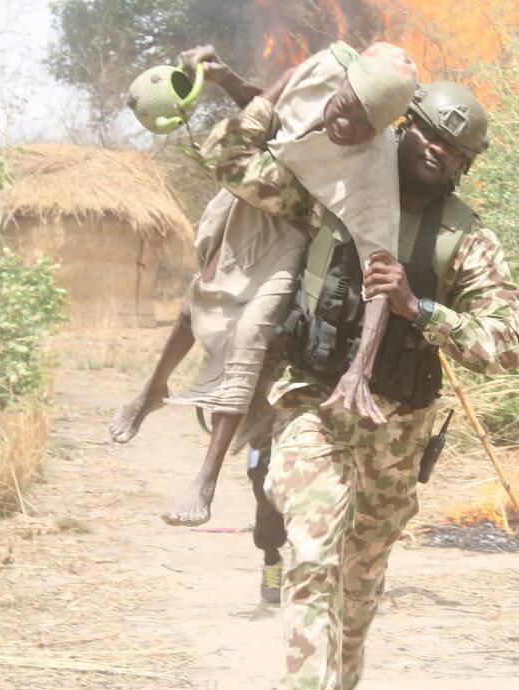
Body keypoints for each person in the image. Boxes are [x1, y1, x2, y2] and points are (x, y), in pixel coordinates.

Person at [205, 78, 519, 690]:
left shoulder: (466, 239)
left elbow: (505, 344)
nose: (437, 149)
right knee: (312, 561)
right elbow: (233, 161)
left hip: (396, 437)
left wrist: (420, 307)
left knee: (358, 588)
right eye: (430, 132)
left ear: (464, 164)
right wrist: (275, 90)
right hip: (311, 408)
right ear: (405, 128)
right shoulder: (333, 190)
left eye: (453, 147)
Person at [108, 42, 418, 528]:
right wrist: (227, 77)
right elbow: (271, 113)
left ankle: (204, 479)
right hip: (246, 202)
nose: (347, 127)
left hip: (292, 230)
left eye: (363, 125)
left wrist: (360, 367)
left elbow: (382, 271)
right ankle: (152, 390)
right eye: (345, 109)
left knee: (250, 335)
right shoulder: (322, 70)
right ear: (341, 84)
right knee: (194, 310)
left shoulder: (374, 170)